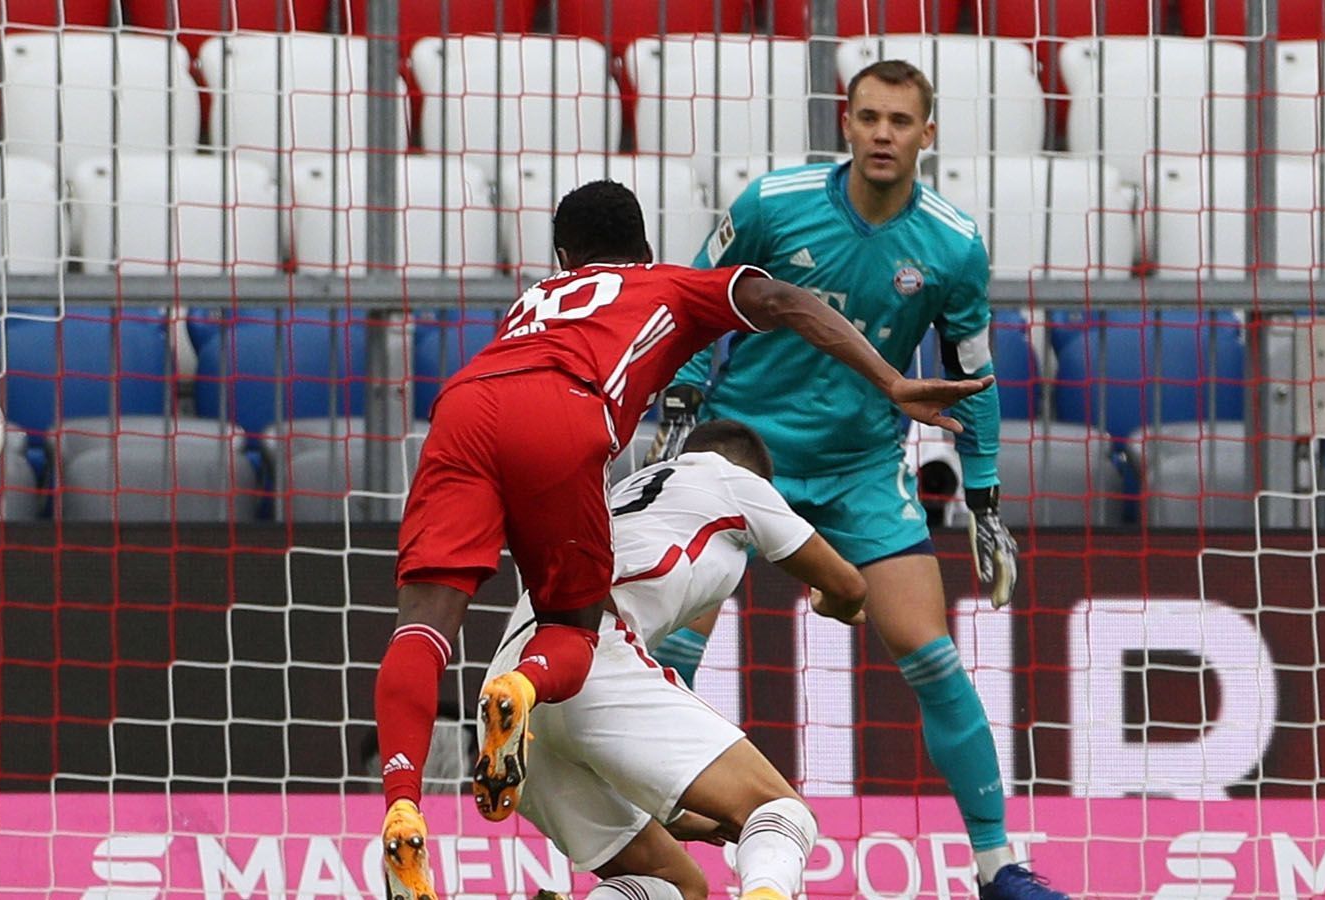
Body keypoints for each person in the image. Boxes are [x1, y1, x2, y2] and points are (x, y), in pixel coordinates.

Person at [377, 179, 993, 900]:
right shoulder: (668, 293)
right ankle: (527, 687)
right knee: (763, 799)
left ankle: (402, 801)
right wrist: (892, 382)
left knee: (424, 626)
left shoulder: (532, 305)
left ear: (561, 254)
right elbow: (788, 300)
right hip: (565, 432)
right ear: (644, 249)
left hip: (465, 402)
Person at [651, 59, 1064, 899]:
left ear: (927, 134)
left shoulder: (952, 246)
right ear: (846, 123)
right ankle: (639, 848)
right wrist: (683, 405)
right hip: (743, 456)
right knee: (672, 654)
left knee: (933, 657)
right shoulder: (772, 202)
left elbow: (969, 378)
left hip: (862, 469)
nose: (883, 134)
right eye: (869, 117)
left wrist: (983, 499)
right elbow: (695, 300)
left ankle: (997, 868)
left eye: (900, 121)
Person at [485, 419, 868, 900]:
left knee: (676, 885)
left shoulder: (628, 492)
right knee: (783, 812)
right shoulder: (731, 479)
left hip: (516, 682)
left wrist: (679, 811)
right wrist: (835, 604)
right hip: (591, 649)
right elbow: (849, 585)